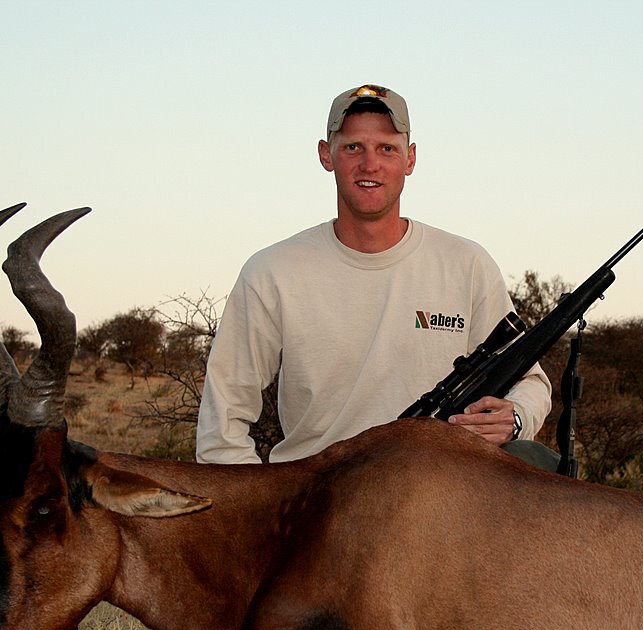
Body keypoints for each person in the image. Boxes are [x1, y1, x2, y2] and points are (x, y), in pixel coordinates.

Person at [197, 84, 553, 465]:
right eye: (353, 147)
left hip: (442, 501)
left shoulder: (466, 264)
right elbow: (223, 421)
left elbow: (531, 383)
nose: (370, 165)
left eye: (387, 148)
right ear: (325, 154)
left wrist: (514, 419)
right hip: (318, 507)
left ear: (410, 159)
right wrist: (264, 513)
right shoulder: (271, 272)